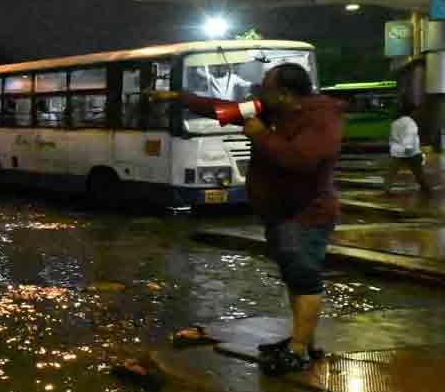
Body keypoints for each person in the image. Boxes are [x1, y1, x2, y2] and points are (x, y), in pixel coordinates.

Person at [152, 63, 344, 375]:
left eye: (266, 86)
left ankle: (299, 351)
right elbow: (224, 110)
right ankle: (302, 340)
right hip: (280, 213)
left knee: (305, 280)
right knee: (294, 278)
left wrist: (262, 135)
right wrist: (179, 98)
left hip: (306, 213)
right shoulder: (268, 108)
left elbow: (302, 161)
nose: (259, 91)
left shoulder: (321, 117)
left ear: (284, 94)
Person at [386, 99, 431, 195]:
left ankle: (386, 189)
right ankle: (425, 189)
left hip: (397, 152)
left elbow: (392, 138)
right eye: (416, 111)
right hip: (412, 152)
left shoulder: (395, 123)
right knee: (418, 172)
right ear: (412, 112)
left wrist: (393, 149)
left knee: (391, 173)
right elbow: (410, 136)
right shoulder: (411, 123)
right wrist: (408, 148)